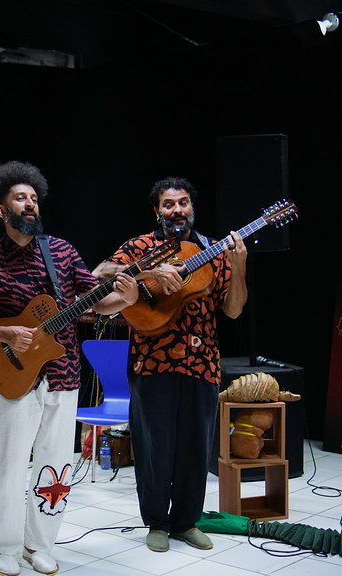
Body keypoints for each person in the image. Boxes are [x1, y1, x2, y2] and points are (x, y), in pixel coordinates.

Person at [0, 161, 138, 576]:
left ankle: (41, 543)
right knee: (10, 464)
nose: (31, 204)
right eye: (21, 198)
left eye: (34, 197)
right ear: (2, 210)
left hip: (64, 373)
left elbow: (97, 301)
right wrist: (5, 334)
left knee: (56, 464)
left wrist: (125, 298)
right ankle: (5, 546)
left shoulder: (63, 252)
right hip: (13, 377)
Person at [93, 176, 247, 554]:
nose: (177, 210)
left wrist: (239, 266)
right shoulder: (141, 247)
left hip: (202, 363)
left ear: (192, 207)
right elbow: (99, 273)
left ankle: (186, 522)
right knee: (153, 447)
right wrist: (148, 273)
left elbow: (233, 310)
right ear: (157, 210)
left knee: (196, 448)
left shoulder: (213, 251)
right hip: (151, 363)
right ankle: (157, 523)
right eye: (168, 204)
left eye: (183, 202)